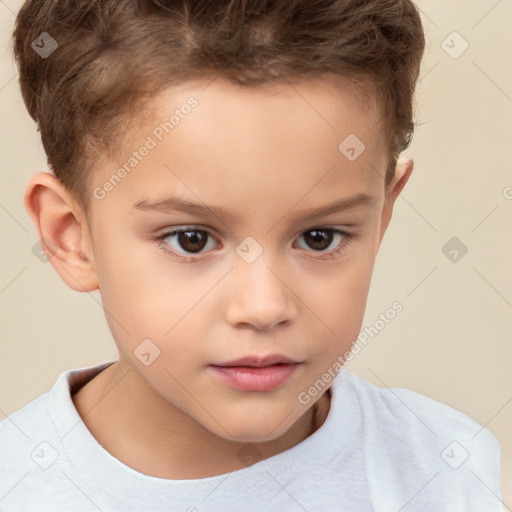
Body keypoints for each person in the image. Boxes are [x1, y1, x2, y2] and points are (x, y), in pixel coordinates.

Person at [0, 1, 503, 510]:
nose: (264, 307)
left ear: (382, 219)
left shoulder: (448, 472)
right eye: (191, 240)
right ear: (70, 236)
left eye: (320, 237)